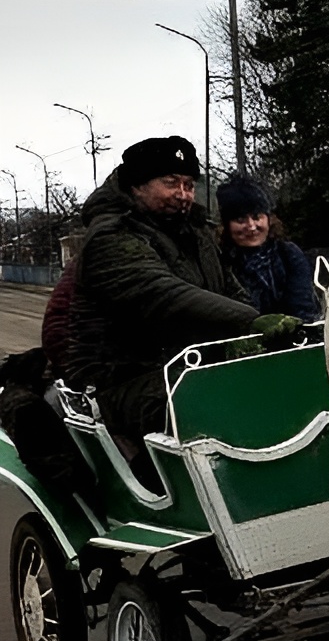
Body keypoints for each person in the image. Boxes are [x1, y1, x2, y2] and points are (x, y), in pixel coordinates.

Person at [68, 135, 299, 446]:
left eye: (189, 184)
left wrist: (249, 338)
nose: (182, 194)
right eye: (170, 182)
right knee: (226, 401)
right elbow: (163, 294)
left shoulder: (197, 233)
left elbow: (231, 290)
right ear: (137, 186)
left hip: (191, 365)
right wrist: (249, 321)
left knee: (283, 386)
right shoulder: (110, 236)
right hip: (128, 381)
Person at [215, 176, 320, 317]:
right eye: (240, 220)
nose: (251, 227)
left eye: (257, 217)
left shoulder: (288, 254)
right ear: (226, 225)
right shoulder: (219, 261)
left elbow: (303, 308)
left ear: (269, 219)